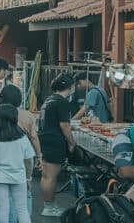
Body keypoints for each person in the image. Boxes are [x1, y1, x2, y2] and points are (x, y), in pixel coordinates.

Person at [0, 104, 35, 223]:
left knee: (2, 209)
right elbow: (28, 161)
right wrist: (28, 178)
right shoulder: (22, 139)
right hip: (19, 177)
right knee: (22, 209)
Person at [37, 75, 77, 219]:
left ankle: (50, 205)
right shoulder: (61, 102)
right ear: (69, 87)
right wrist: (72, 142)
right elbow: (64, 125)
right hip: (54, 141)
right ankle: (48, 207)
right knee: (50, 177)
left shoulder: (49, 100)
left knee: (46, 175)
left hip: (45, 139)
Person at [0, 84, 40, 222]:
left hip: (3, 155)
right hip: (24, 156)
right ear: (19, 98)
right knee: (26, 191)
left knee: (8, 194)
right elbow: (34, 137)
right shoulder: (27, 115)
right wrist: (39, 155)